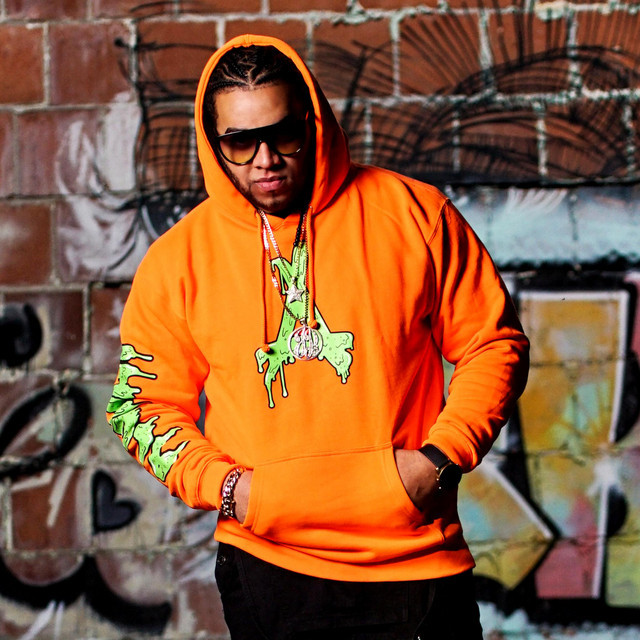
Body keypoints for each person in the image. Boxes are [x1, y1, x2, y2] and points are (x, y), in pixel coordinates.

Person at [107, 34, 529, 639]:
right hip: (266, 563)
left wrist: (440, 460)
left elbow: (493, 342)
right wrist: (229, 489)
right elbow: (138, 406)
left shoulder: (413, 214)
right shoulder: (179, 260)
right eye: (240, 142)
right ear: (213, 142)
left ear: (313, 122)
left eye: (282, 134)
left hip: (415, 560)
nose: (265, 159)